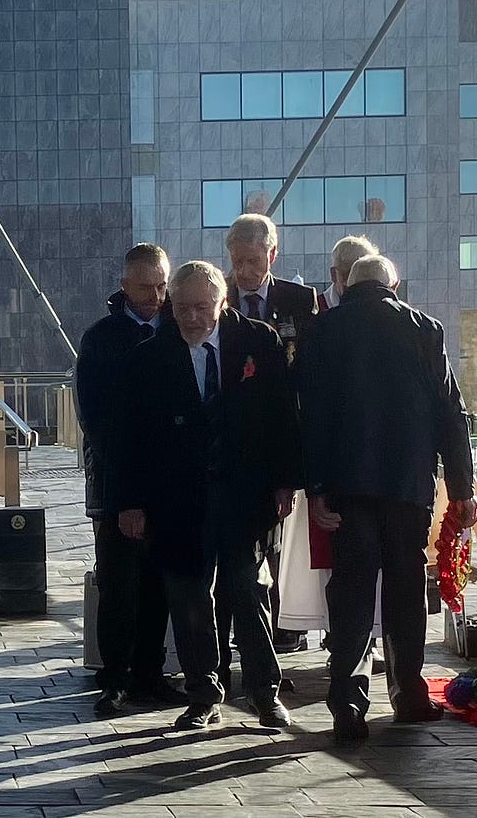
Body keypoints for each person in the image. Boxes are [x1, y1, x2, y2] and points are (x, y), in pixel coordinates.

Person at [114, 261, 302, 730]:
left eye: (201, 307)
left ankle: (265, 693)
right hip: (177, 501)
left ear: (222, 303)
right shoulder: (147, 357)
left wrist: (285, 481)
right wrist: (130, 502)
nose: (192, 318)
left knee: (247, 591)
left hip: (244, 496)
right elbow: (128, 438)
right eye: (181, 309)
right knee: (190, 600)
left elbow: (283, 418)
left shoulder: (259, 342)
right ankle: (203, 694)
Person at [300, 255, 477, 746]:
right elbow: (451, 414)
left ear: (347, 284)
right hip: (408, 487)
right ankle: (409, 696)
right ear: (395, 285)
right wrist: (461, 489)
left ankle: (348, 704)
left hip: (347, 488)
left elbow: (310, 416)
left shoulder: (323, 330)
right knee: (405, 589)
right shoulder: (425, 330)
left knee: (352, 591)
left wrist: (315, 488)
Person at [75, 243, 183, 715]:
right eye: (145, 287)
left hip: (169, 483)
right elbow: (95, 422)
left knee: (159, 580)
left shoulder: (180, 330)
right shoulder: (101, 338)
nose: (156, 296)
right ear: (124, 286)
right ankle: (114, 675)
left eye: (162, 284)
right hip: (116, 482)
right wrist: (124, 494)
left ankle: (149, 672)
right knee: (118, 582)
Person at [278, 236, 385, 660]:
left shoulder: (385, 318)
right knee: (325, 558)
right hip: (326, 459)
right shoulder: (314, 317)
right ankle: (332, 636)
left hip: (369, 460)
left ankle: (362, 641)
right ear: (337, 276)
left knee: (365, 562)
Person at [225, 213, 319, 658]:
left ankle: (287, 627)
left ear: (272, 253)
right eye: (237, 260)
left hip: (289, 438)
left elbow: (314, 371)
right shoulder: (213, 296)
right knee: (244, 555)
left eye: (252, 260)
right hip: (236, 447)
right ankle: (245, 635)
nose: (244, 270)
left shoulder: (302, 301)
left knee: (286, 547)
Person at [318, 235, 378, 312]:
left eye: (365, 275)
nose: (356, 284)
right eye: (349, 275)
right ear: (334, 275)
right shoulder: (314, 311)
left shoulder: (381, 309)